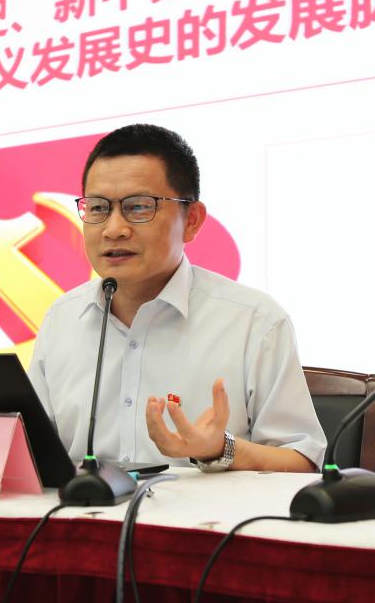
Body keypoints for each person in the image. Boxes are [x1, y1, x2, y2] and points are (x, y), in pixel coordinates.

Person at [28, 124, 325, 472]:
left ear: (192, 220)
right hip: (83, 509)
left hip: (207, 510)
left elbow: (304, 463)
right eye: (97, 208)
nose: (113, 229)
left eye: (139, 207)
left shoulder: (255, 322)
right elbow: (27, 451)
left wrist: (222, 450)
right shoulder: (61, 319)